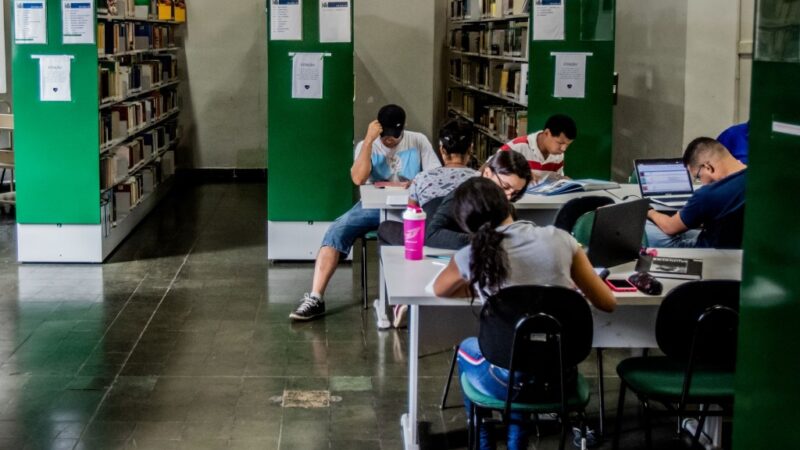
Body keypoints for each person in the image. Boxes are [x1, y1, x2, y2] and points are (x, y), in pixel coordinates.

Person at [432, 177, 616, 450]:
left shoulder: (471, 255)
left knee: (473, 349)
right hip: (560, 379)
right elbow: (607, 302)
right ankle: (517, 444)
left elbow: (439, 289)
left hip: (505, 382)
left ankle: (483, 444)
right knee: (525, 354)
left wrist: (481, 287)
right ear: (507, 204)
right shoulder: (562, 240)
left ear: (465, 222)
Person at [290, 104, 440, 321]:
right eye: (387, 136)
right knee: (337, 231)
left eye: (396, 136)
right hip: (372, 207)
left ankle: (410, 297)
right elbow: (358, 179)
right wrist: (369, 142)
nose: (391, 140)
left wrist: (416, 183)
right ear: (378, 128)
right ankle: (315, 297)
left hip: (409, 207)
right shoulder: (366, 144)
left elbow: (433, 176)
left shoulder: (418, 141)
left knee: (425, 233)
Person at [377, 118, 478, 246]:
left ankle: (401, 264)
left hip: (426, 241)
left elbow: (411, 217)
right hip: (465, 244)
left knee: (384, 227)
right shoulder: (482, 181)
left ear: (442, 149)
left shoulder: (421, 178)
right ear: (471, 149)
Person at [646, 137, 747, 249]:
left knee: (646, 226)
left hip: (712, 252)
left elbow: (670, 227)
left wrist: (649, 211)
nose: (702, 183)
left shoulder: (708, 194)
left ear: (708, 167)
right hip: (739, 246)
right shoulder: (758, 179)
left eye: (698, 177)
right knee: (686, 229)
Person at [425, 150, 531, 250]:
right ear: (487, 173)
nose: (508, 197)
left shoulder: (506, 206)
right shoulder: (463, 196)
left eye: (515, 193)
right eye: (505, 187)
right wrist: (485, 241)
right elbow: (431, 235)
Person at [499, 113, 577, 184]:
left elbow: (554, 181)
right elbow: (490, 169)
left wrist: (562, 181)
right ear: (547, 133)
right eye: (560, 143)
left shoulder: (558, 155)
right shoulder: (516, 147)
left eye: (567, 144)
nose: (564, 149)